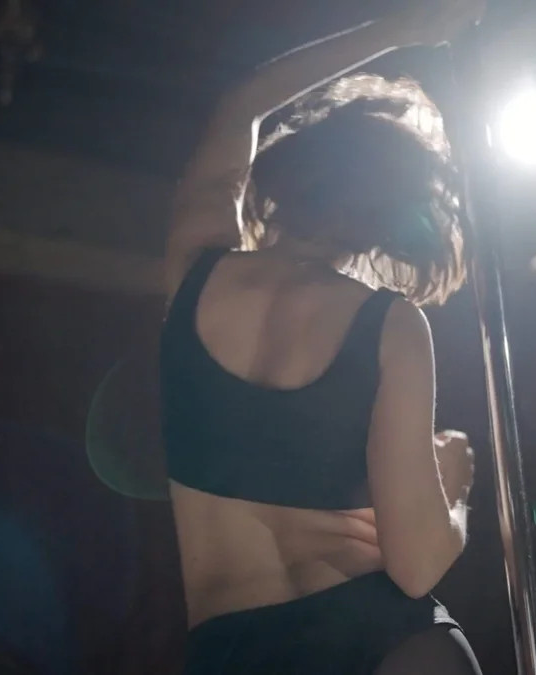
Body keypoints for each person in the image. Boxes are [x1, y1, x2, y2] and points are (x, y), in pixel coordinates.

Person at [159, 2, 486, 673]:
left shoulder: (194, 271)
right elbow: (419, 565)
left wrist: (399, 30)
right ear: (387, 220)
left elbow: (243, 103)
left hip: (229, 649)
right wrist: (453, 493)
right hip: (381, 638)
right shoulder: (390, 323)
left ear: (282, 178)